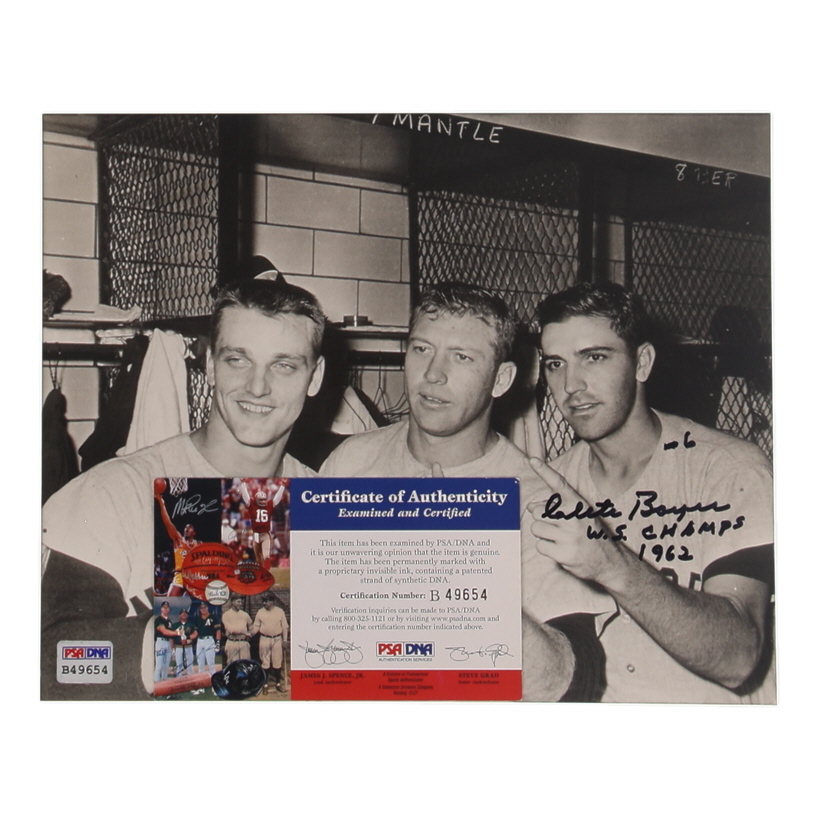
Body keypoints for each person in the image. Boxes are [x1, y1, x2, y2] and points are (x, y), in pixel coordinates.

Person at [320, 282, 613, 700]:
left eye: (461, 357)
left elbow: (570, 684)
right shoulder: (350, 462)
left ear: (501, 379)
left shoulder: (535, 502)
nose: (433, 374)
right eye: (422, 349)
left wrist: (461, 574)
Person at [41, 277, 327, 699]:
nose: (258, 386)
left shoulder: (328, 506)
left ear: (314, 377)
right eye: (237, 360)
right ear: (209, 364)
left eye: (283, 365)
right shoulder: (112, 493)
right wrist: (207, 640)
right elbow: (56, 661)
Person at [529, 281, 774, 703]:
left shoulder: (728, 470)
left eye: (594, 357)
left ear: (642, 363)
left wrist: (612, 564)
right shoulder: (548, 491)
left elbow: (738, 658)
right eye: (556, 364)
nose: (571, 385)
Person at [154, 488, 199, 597]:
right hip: (179, 574)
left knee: (192, 602)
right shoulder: (178, 540)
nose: (186, 529)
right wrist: (161, 503)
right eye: (185, 528)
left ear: (194, 533)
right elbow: (168, 523)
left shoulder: (198, 544)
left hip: (193, 576)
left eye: (189, 528)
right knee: (170, 600)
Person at [252, 594, 289, 693]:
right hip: (264, 638)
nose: (264, 603)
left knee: (277, 661)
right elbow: (256, 626)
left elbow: (285, 627)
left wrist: (285, 640)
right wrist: (251, 633)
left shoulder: (279, 611)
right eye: (263, 601)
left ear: (272, 601)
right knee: (265, 662)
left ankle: (278, 684)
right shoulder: (260, 612)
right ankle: (265, 684)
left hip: (277, 639)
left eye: (266, 601)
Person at [221, 595, 253, 664]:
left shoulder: (245, 615)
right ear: (232, 602)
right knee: (233, 665)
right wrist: (245, 633)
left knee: (245, 664)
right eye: (238, 602)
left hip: (243, 643)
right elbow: (231, 630)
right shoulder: (226, 615)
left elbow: (251, 626)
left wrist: (250, 634)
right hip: (232, 642)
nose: (240, 604)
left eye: (241, 602)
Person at [194, 602, 221, 675]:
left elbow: (218, 631)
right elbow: (195, 632)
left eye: (204, 607)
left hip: (209, 640)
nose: (203, 609)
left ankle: (213, 681)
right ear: (199, 609)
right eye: (201, 608)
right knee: (200, 665)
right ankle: (201, 682)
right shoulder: (197, 618)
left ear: (207, 608)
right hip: (200, 641)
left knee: (211, 665)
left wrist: (218, 642)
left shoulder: (213, 617)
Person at [154, 601, 175, 683]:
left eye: (167, 608)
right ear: (161, 609)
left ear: (169, 609)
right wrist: (177, 633)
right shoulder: (158, 619)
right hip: (161, 642)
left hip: (168, 643)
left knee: (165, 667)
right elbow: (164, 631)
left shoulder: (169, 621)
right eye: (164, 608)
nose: (166, 609)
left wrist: (172, 648)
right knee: (159, 666)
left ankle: (164, 683)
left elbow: (171, 637)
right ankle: (156, 683)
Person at [171, 608, 197, 677]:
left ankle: (191, 679)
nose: (184, 614)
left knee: (189, 665)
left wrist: (188, 640)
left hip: (188, 647)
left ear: (187, 615)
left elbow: (195, 635)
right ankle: (178, 680)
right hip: (178, 647)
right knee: (179, 665)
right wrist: (172, 649)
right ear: (179, 615)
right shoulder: (175, 625)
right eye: (182, 613)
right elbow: (172, 638)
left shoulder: (191, 625)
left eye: (185, 613)